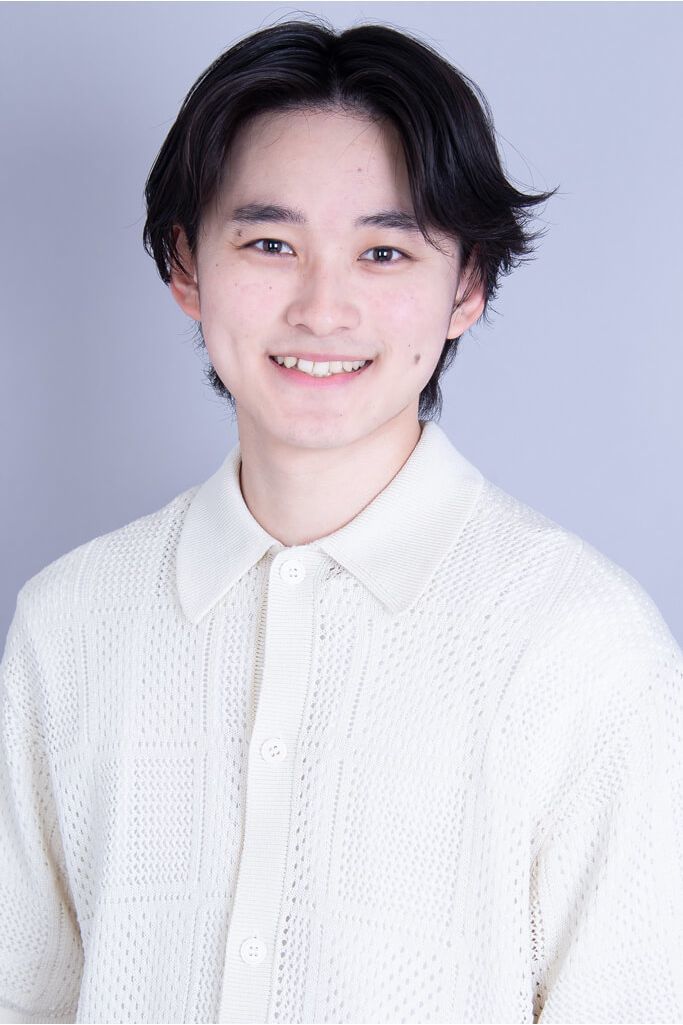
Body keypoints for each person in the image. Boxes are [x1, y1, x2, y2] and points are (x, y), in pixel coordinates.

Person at [1, 15, 681, 1025]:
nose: (322, 309)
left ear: (466, 285)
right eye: (270, 243)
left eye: (383, 251)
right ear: (186, 265)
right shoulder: (68, 624)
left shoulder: (583, 649)